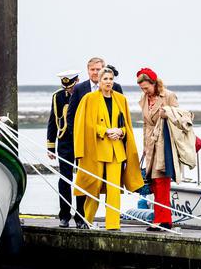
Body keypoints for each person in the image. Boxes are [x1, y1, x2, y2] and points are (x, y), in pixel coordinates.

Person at [72, 68, 144, 230]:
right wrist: (105, 131)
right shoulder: (88, 99)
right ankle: (87, 220)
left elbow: (126, 126)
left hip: (116, 151)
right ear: (99, 80)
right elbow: (84, 124)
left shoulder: (121, 99)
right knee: (94, 186)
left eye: (111, 78)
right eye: (105, 78)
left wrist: (120, 131)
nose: (108, 82)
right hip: (96, 151)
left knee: (113, 189)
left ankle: (113, 225)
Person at [137, 67, 180, 231]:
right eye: (142, 89)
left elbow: (180, 119)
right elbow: (146, 125)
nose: (145, 91)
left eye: (147, 88)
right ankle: (163, 219)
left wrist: (167, 113)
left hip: (166, 145)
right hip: (151, 145)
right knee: (154, 183)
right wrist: (144, 146)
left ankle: (162, 220)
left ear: (154, 83)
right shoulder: (144, 99)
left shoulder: (168, 96)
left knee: (162, 181)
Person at [46, 70, 84, 227]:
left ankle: (81, 217)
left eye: (71, 87)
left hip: (81, 141)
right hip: (65, 142)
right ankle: (64, 215)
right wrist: (50, 146)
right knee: (65, 179)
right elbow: (53, 121)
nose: (68, 90)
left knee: (82, 180)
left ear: (77, 81)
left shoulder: (84, 94)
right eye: (66, 88)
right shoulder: (58, 97)